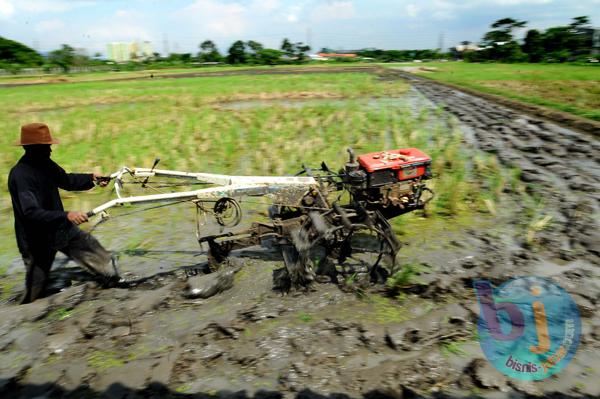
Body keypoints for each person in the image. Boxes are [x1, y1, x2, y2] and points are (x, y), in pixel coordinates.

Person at [8, 123, 121, 304]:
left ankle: (118, 283)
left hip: (59, 229)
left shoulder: (45, 164)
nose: (50, 150)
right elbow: (30, 212)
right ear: (32, 148)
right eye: (46, 146)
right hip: (35, 240)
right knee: (34, 293)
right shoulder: (21, 174)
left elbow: (66, 180)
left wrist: (91, 178)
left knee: (102, 260)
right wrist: (67, 215)